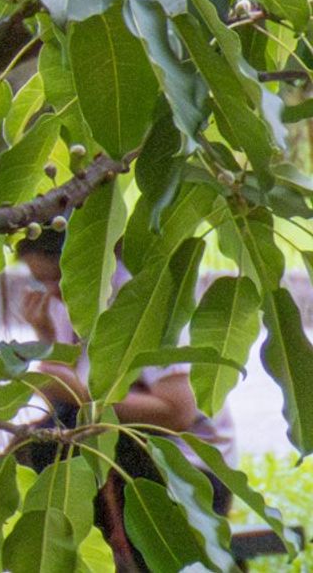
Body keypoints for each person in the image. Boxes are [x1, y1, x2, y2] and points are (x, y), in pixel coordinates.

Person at [15, 227, 233, 542]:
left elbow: (176, 411)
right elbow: (66, 390)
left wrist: (81, 394)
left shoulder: (142, 298)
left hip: (186, 472)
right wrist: (48, 341)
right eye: (41, 282)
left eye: (59, 279)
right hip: (119, 463)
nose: (54, 293)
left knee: (58, 441)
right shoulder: (72, 301)